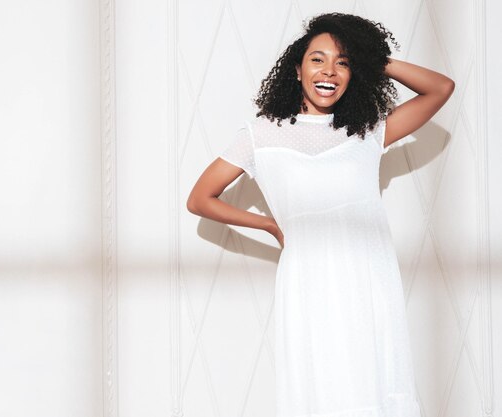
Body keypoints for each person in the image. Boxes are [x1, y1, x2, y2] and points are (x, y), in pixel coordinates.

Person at [186, 12, 453, 417]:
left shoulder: (367, 131)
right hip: (309, 276)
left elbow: (440, 88)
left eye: (343, 62)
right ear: (296, 69)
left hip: (368, 274)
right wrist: (267, 223)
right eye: (318, 59)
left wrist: (370, 56)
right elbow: (200, 198)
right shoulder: (260, 135)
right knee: (322, 384)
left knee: (376, 376)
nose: (329, 70)